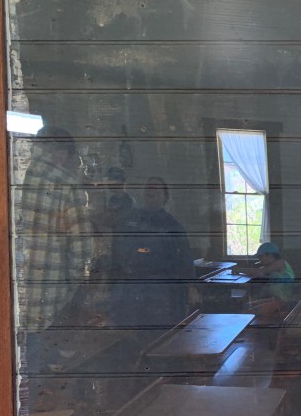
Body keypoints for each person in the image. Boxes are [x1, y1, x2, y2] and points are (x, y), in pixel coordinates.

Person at [16, 125, 93, 371]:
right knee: (36, 374)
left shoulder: (11, 178)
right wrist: (72, 290)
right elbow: (82, 251)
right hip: (46, 301)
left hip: (9, 299)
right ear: (62, 154)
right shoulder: (66, 184)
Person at [109, 176, 195, 328]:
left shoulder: (172, 225)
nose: (151, 192)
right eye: (148, 188)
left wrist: (191, 286)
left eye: (156, 189)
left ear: (165, 197)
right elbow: (118, 249)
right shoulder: (130, 219)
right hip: (132, 287)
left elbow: (185, 258)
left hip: (161, 290)